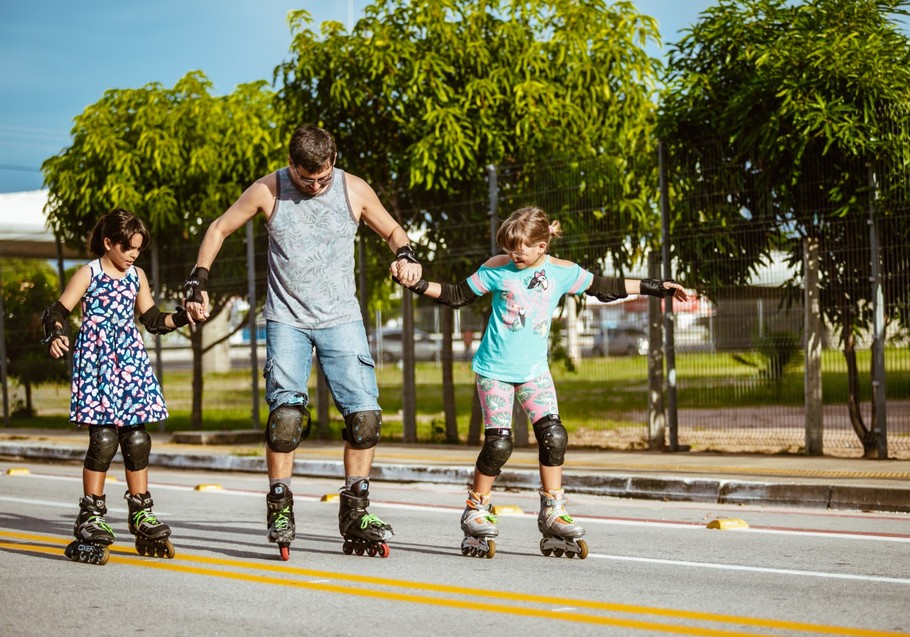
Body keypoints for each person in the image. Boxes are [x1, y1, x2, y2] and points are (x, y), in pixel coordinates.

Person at [181, 123, 422, 560]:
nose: (316, 186)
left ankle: (356, 510)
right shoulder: (268, 190)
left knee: (364, 418)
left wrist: (406, 258)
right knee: (286, 419)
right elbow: (218, 229)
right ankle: (279, 505)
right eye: (307, 178)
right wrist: (199, 279)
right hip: (287, 319)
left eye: (323, 177)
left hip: (341, 317)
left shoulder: (353, 188)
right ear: (292, 164)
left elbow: (393, 231)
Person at [400, 206, 689, 559]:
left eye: (520, 248)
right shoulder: (497, 269)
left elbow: (605, 287)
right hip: (494, 371)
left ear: (542, 245)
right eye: (509, 247)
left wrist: (656, 287)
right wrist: (416, 283)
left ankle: (552, 509)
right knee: (499, 445)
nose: (514, 254)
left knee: (553, 436)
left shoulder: (562, 273)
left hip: (534, 371)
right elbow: (456, 294)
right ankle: (476, 508)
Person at [43, 209, 187, 565]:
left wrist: (183, 315)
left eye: (138, 249)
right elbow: (56, 312)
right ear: (108, 243)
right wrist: (57, 333)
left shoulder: (137, 276)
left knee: (137, 439)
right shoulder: (88, 273)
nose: (134, 255)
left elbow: (152, 319)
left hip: (130, 363)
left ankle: (140, 511)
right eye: (128, 248)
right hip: (97, 363)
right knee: (104, 439)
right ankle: (91, 514)